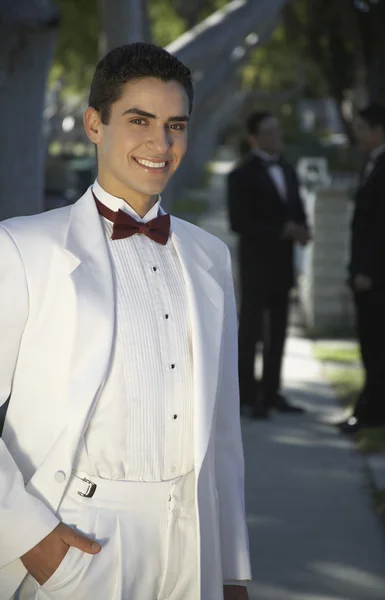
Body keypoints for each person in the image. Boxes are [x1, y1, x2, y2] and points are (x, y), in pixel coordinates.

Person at [0, 43, 251, 600]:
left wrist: (231, 569)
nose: (160, 144)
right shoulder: (21, 247)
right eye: (140, 121)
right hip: (78, 541)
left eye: (175, 125)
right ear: (95, 124)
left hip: (193, 545)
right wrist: (30, 538)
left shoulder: (211, 256)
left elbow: (224, 431)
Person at [227, 111, 310, 420]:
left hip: (283, 264)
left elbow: (296, 207)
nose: (277, 136)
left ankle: (273, 392)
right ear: (254, 138)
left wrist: (303, 228)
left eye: (277, 130)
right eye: (270, 132)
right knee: (250, 331)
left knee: (279, 330)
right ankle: (248, 395)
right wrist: (280, 231)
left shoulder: (288, 169)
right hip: (256, 264)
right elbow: (240, 223)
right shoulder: (240, 175)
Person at [339, 103, 385, 434]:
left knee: (378, 343)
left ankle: (373, 414)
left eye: (362, 127)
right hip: (366, 273)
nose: (358, 134)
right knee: (369, 342)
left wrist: (368, 271)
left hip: (378, 277)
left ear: (377, 130)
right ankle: (367, 408)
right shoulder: (375, 163)